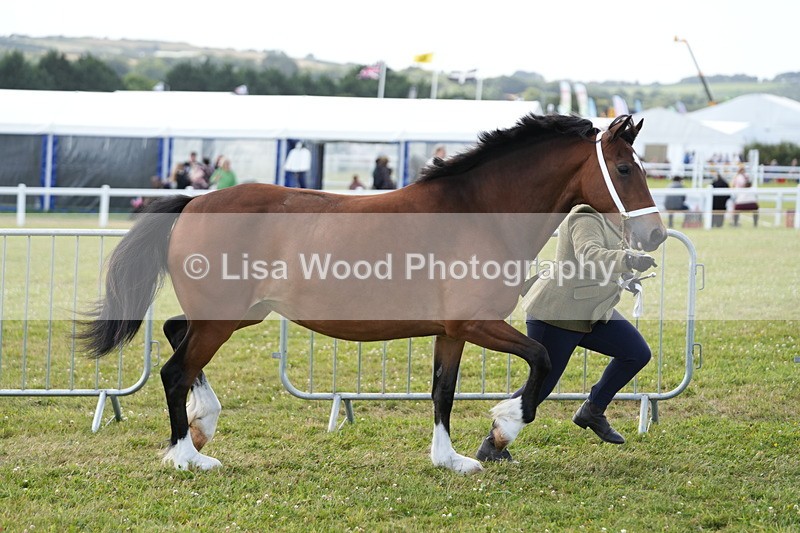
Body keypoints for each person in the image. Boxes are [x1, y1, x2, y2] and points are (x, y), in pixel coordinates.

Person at [476, 204, 656, 462]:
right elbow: (590, 255)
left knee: (636, 353)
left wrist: (624, 276)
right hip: (556, 313)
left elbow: (604, 259)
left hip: (591, 310)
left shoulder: (618, 218)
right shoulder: (585, 216)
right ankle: (492, 445)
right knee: (540, 386)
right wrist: (627, 260)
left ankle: (592, 410)